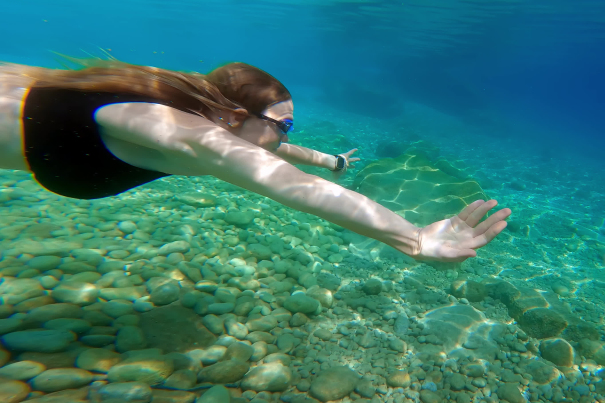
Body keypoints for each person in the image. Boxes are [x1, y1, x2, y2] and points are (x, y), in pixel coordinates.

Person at [0, 59, 511, 263]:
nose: (288, 134)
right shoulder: (182, 133)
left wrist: (329, 160)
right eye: (282, 122)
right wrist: (414, 238)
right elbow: (285, 183)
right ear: (232, 114)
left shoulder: (208, 118)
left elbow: (273, 151)